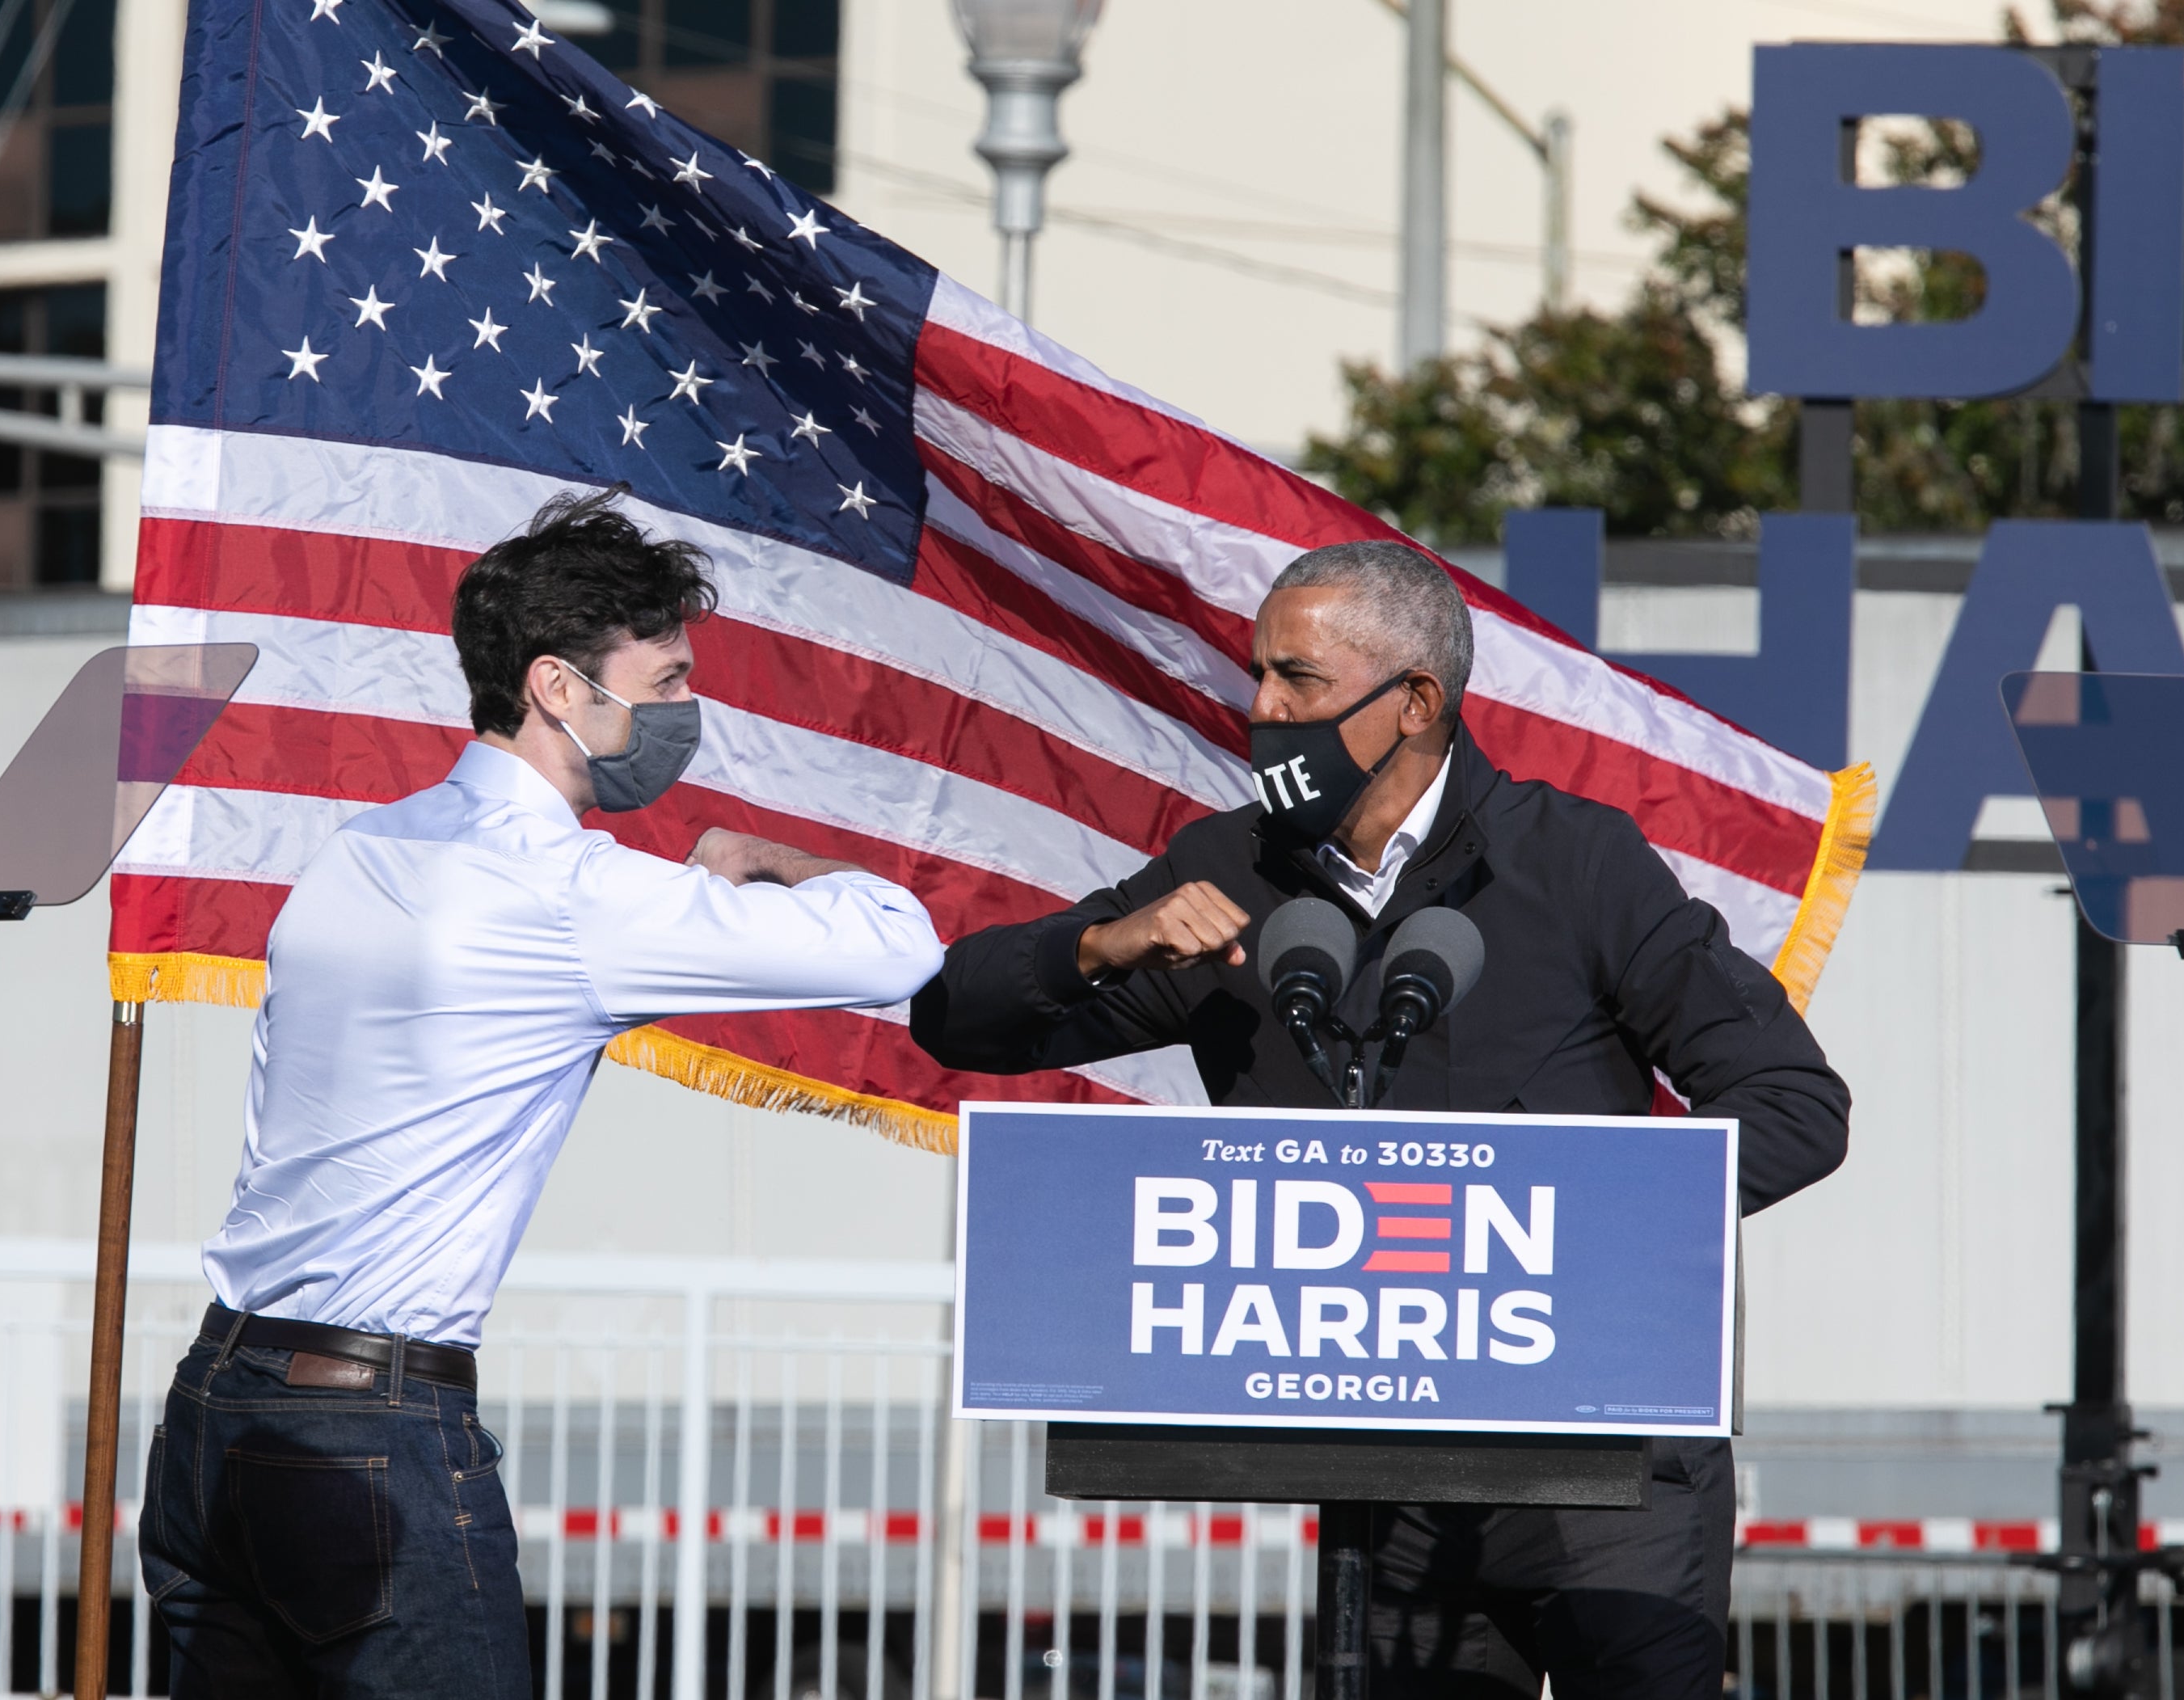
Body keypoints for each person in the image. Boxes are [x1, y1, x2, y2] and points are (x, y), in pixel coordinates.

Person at [909, 540, 1849, 1700]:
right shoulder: (1227, 874)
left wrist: (1562, 1217)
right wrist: (1099, 945)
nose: (1260, 710)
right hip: (1389, 1480)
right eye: (1257, 676)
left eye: (1295, 681)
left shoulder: (1576, 863)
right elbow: (960, 1020)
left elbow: (1793, 1106)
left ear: (1414, 702)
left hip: (1611, 1472)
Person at [138, 488, 945, 1698]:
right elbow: (898, 943)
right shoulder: (571, 893)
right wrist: (767, 858)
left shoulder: (361, 850)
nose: (686, 710)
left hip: (214, 1409)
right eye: (666, 680)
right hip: (373, 1428)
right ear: (560, 687)